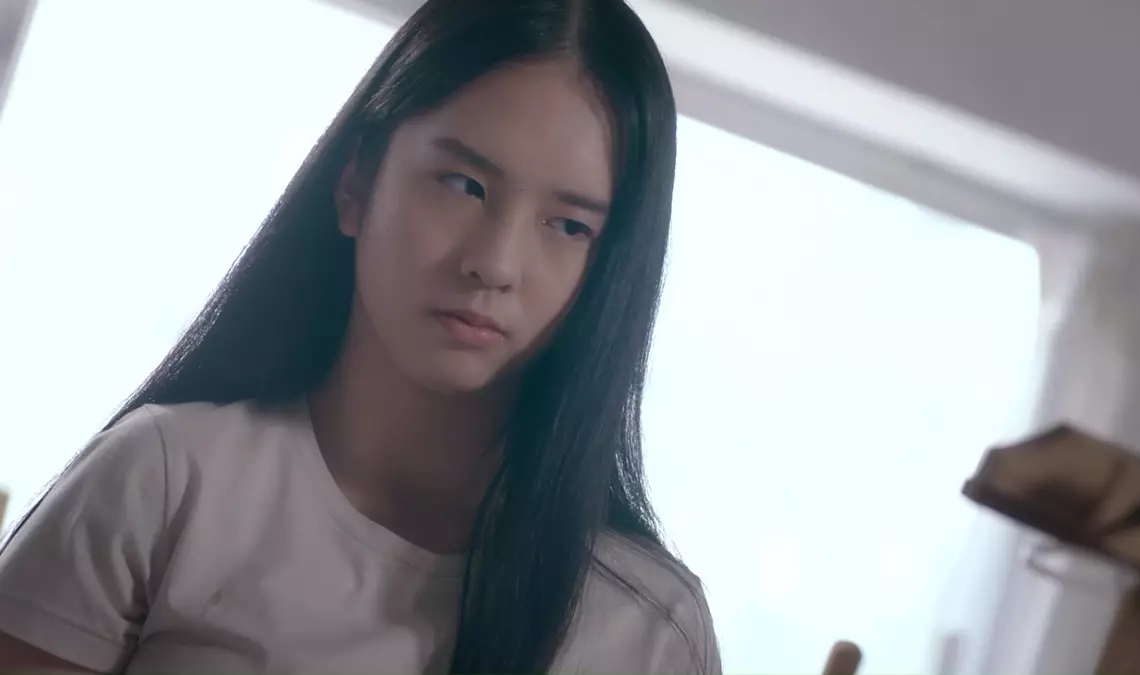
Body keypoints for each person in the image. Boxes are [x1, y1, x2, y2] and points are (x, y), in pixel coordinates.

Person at [0, 0, 721, 672]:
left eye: (568, 225)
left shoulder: (651, 628)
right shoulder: (164, 481)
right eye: (463, 185)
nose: (496, 263)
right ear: (355, 184)